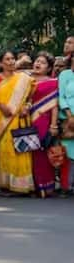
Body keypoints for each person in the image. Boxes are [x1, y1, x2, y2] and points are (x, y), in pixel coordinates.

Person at [0, 50, 35, 196]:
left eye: (12, 59)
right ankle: (7, 185)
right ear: (0, 63)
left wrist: (26, 107)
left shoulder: (24, 78)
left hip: (20, 118)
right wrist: (1, 106)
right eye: (7, 59)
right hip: (2, 119)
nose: (10, 62)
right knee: (6, 150)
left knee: (21, 149)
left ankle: (23, 185)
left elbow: (30, 97)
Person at [28, 52, 58, 198]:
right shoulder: (26, 80)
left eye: (42, 62)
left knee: (42, 153)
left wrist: (53, 125)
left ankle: (47, 185)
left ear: (48, 68)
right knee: (29, 153)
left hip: (44, 121)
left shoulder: (53, 82)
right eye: (36, 61)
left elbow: (54, 105)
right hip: (26, 120)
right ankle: (33, 186)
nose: (38, 64)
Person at [57, 55, 74, 195]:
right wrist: (70, 116)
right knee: (67, 152)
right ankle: (65, 186)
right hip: (68, 118)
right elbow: (61, 96)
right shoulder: (65, 74)